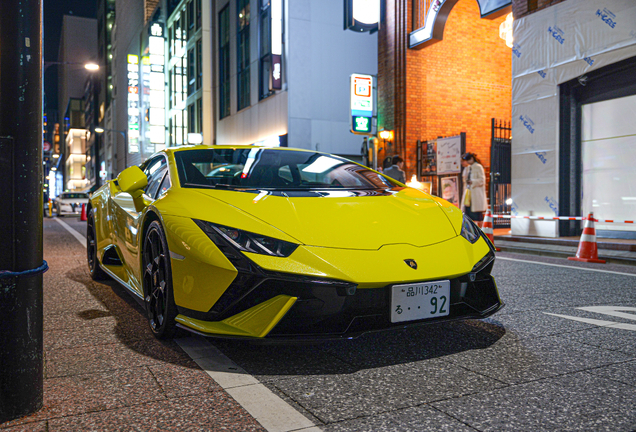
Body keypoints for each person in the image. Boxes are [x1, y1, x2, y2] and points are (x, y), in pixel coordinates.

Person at [460, 152, 487, 224]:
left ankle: (479, 230)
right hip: (468, 193)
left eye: (467, 160)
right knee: (468, 213)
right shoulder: (468, 168)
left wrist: (472, 182)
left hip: (476, 194)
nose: (467, 162)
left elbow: (482, 180)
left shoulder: (478, 167)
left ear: (472, 159)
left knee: (477, 214)